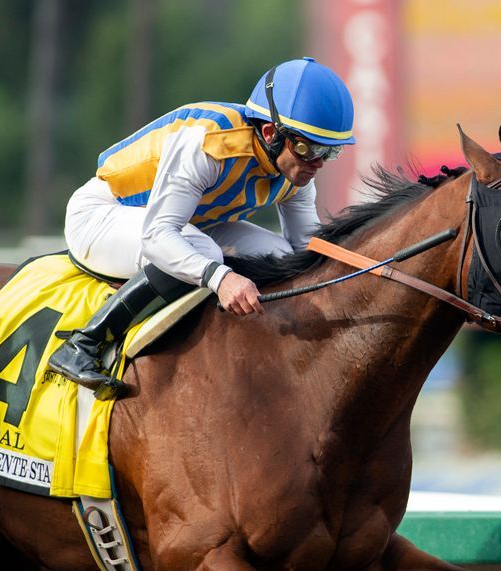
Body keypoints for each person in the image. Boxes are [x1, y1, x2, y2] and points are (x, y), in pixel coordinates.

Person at [48, 57, 355, 387]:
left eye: (330, 152)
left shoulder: (296, 170)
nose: (318, 163)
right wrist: (222, 280)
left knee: (279, 256)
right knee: (204, 252)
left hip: (192, 223)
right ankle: (83, 344)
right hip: (101, 215)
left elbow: (306, 249)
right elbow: (158, 235)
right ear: (270, 134)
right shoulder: (209, 144)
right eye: (308, 148)